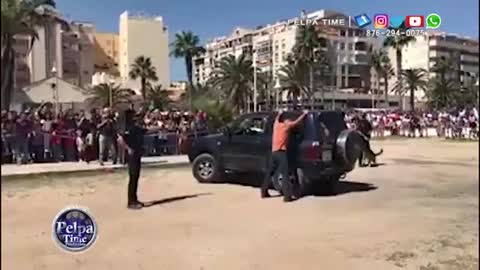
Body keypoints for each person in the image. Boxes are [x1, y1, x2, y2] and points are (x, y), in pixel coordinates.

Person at [117, 108, 161, 210]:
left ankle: (134, 199)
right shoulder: (126, 128)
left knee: (135, 178)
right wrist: (128, 149)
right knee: (133, 178)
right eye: (132, 115)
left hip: (136, 154)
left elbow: (147, 131)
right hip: (132, 155)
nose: (134, 117)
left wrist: (158, 128)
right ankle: (131, 202)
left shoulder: (133, 127)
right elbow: (120, 139)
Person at [261, 110, 308, 202]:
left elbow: (277, 119)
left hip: (273, 152)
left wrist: (280, 113)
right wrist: (304, 114)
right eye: (287, 120)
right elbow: (296, 122)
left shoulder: (276, 125)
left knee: (269, 173)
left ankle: (264, 191)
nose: (288, 121)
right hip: (281, 153)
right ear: (285, 122)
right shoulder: (286, 127)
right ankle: (287, 196)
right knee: (285, 174)